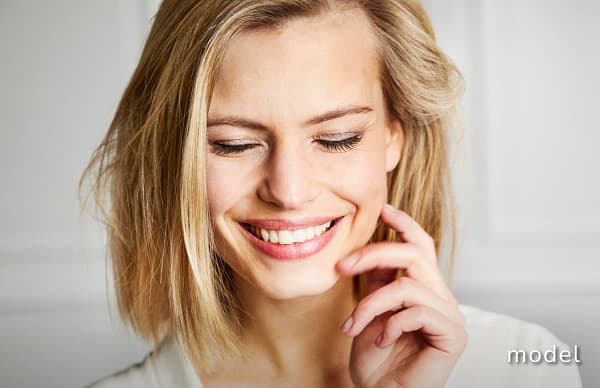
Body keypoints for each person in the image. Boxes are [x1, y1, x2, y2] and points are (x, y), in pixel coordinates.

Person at [81, 1, 583, 387]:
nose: (290, 191)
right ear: (177, 155)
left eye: (337, 137)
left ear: (394, 134)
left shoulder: (526, 367)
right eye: (232, 144)